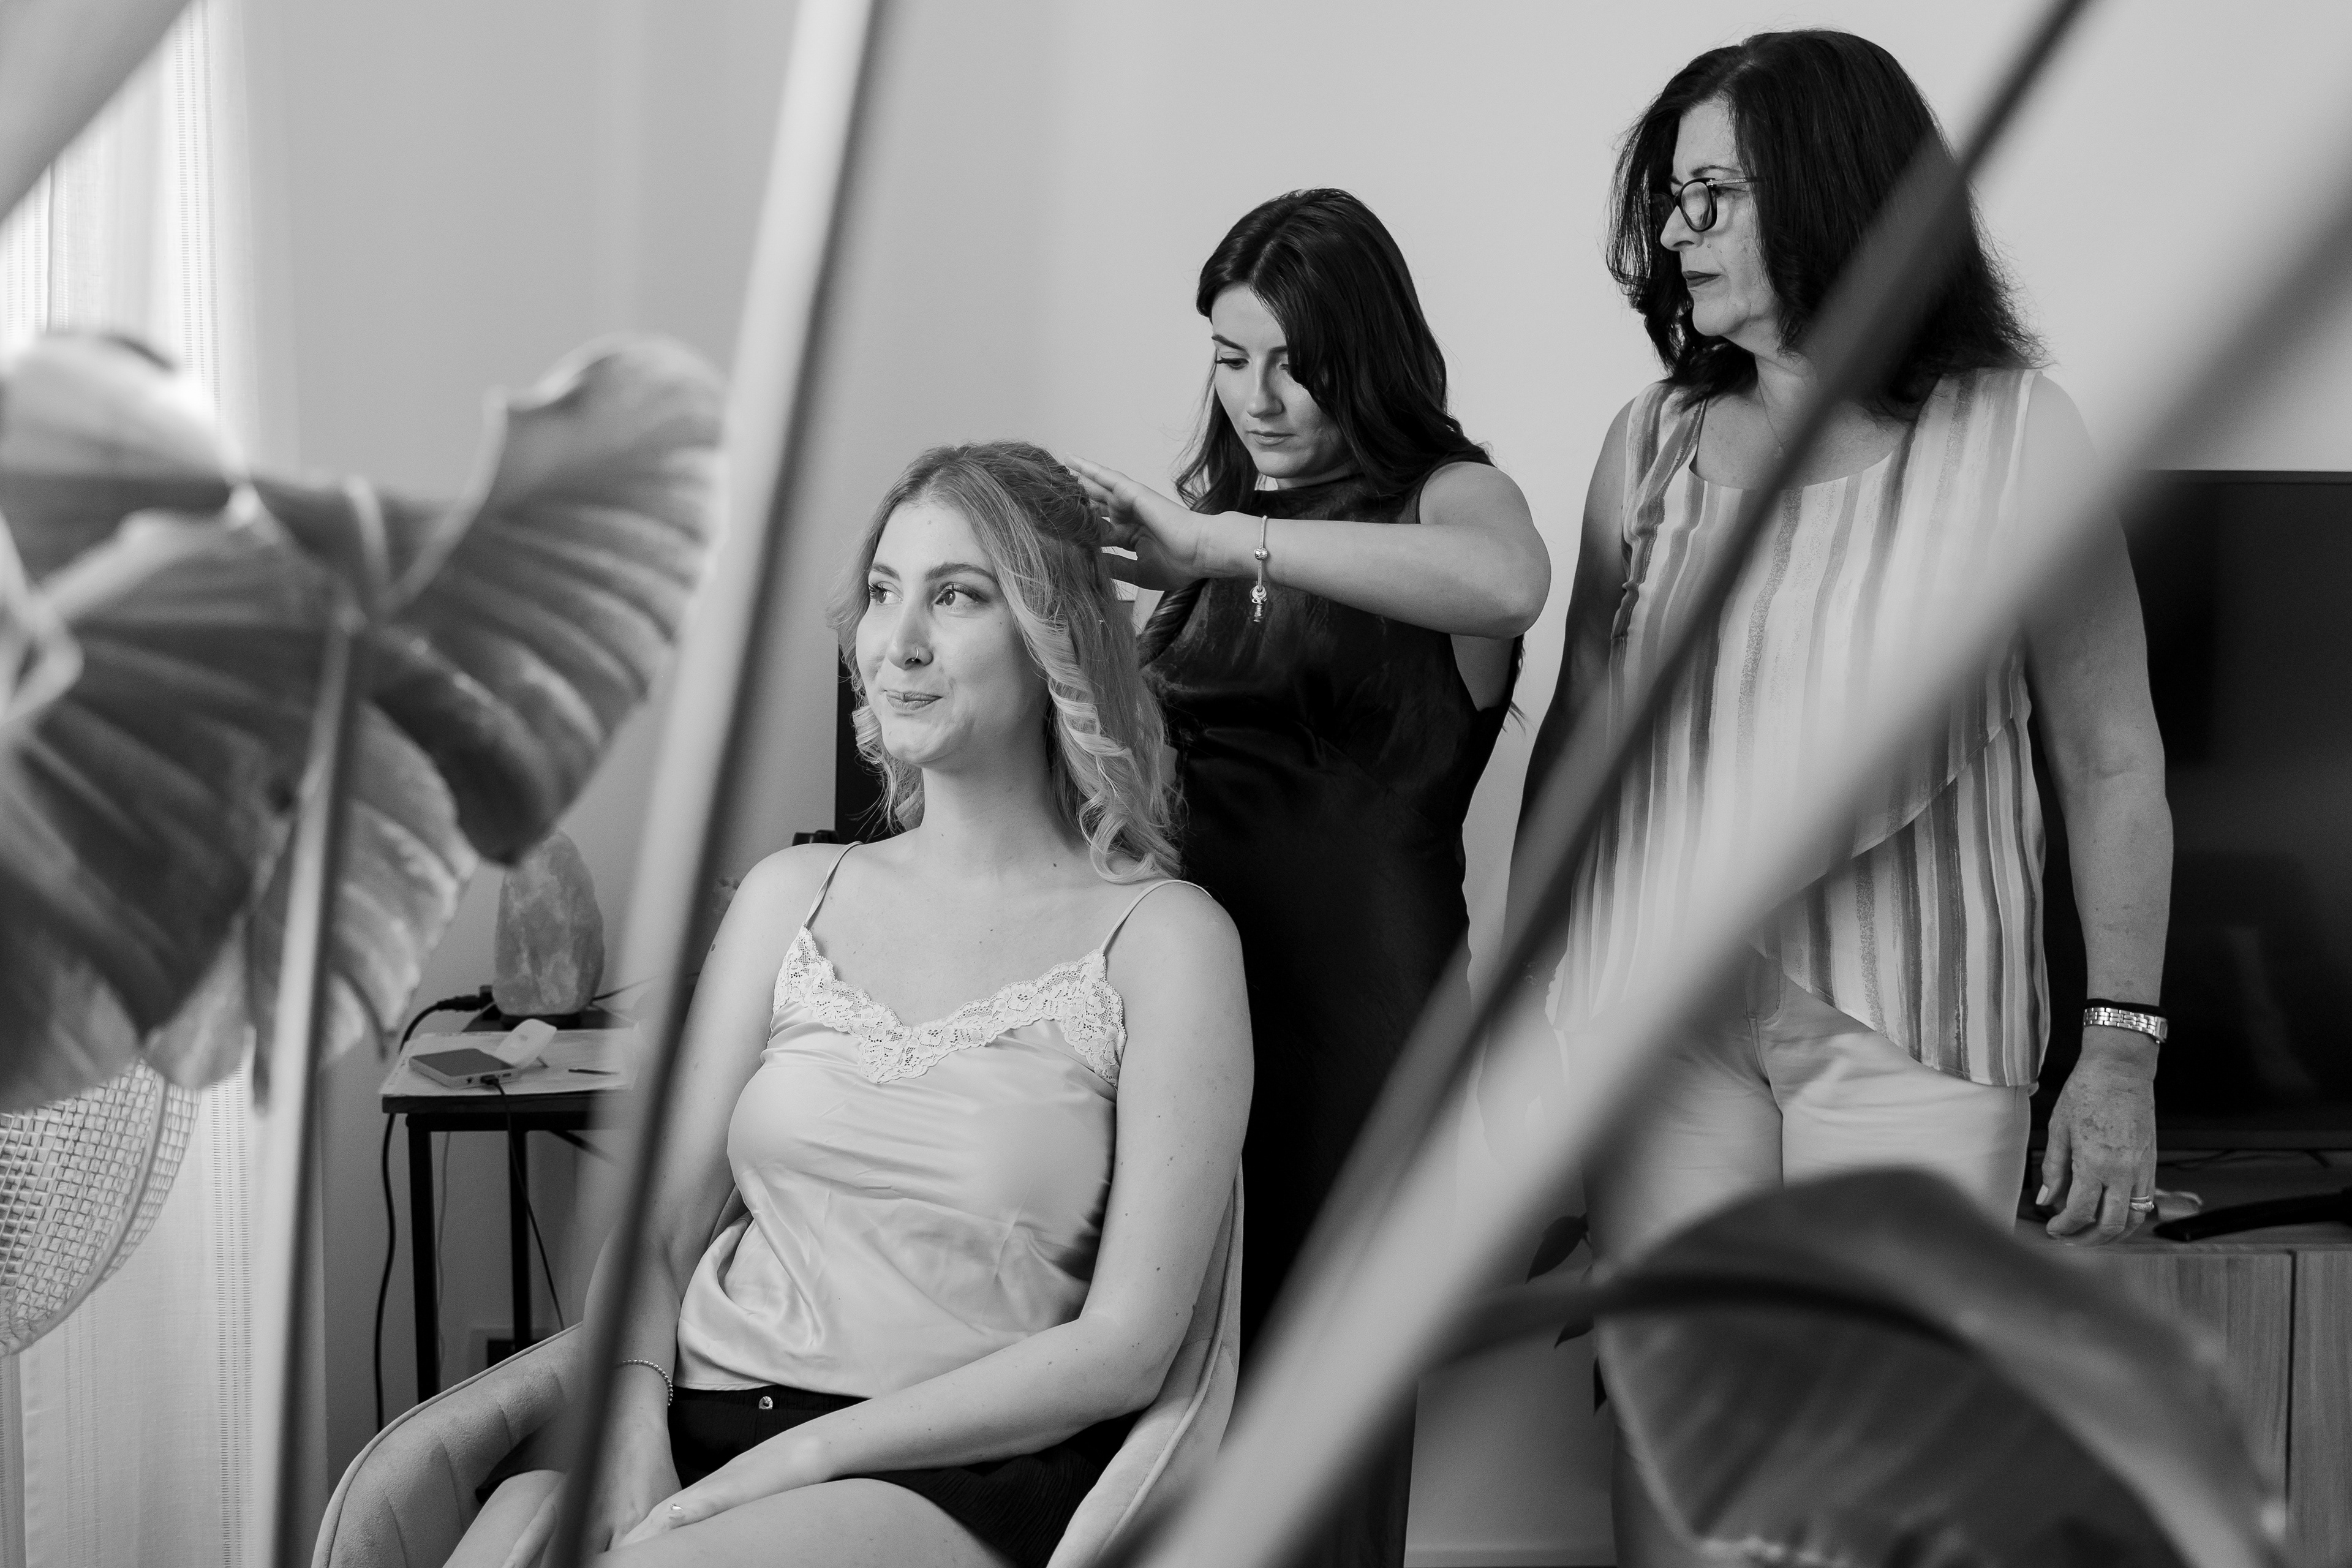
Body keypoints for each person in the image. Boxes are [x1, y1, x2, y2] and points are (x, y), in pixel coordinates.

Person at [1510, 31, 2171, 1567]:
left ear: (1829, 194)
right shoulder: (1651, 442)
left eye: (1715, 196)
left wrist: (2120, 1049)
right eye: (1672, 200)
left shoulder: (2017, 437)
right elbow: (1588, 733)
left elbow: (2111, 755)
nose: (1678, 235)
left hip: (1915, 1024)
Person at [450, 442, 1251, 1568]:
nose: (898, 640)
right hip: (695, 1416)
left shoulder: (1167, 941)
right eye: (883, 592)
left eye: (956, 596)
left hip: (946, 1464)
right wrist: (630, 1429)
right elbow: (661, 1231)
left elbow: (1128, 1348)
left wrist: (798, 1460)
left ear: (1054, 634)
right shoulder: (789, 896)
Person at [1066, 187, 1550, 1568]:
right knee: (1172, 1397)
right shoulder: (1204, 542)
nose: (1261, 397)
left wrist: (1222, 540)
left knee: (1319, 1408)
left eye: (1299, 361)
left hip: (1357, 1022)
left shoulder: (1447, 496)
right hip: (1186, 1011)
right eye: (1233, 358)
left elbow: (1510, 584)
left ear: (1371, 355)